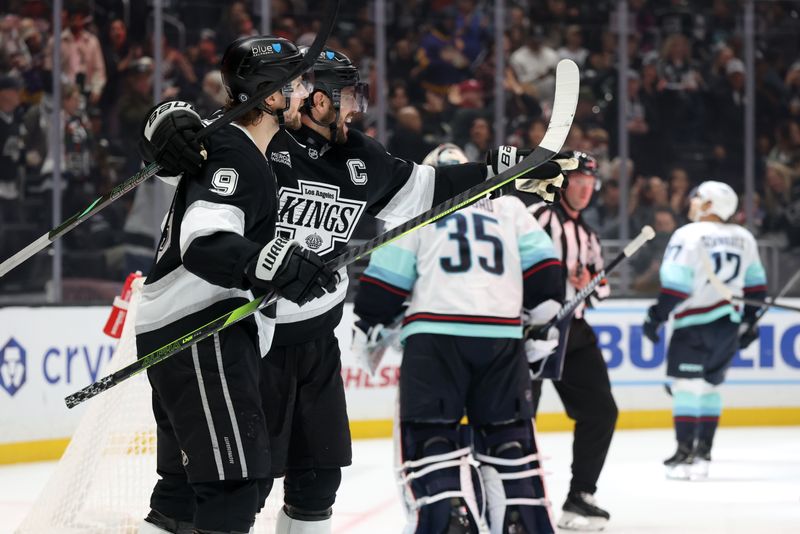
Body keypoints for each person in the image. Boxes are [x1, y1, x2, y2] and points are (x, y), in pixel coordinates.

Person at [140, 46, 566, 533]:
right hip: (257, 336)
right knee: (234, 485)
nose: (357, 106)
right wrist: (164, 123)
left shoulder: (358, 156)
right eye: (348, 95)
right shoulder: (259, 141)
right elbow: (183, 152)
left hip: (316, 340)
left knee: (318, 481)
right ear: (316, 99)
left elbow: (430, 189)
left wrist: (504, 172)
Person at [134, 36, 337, 534]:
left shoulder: (236, 146)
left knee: (183, 492)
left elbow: (183, 132)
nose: (304, 93)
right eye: (295, 83)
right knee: (233, 486)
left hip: (183, 330)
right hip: (200, 329)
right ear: (269, 96)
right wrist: (274, 263)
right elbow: (204, 241)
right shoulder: (237, 150)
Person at [352, 144, 564, 533]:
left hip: (435, 339)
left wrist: (369, 323)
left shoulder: (417, 205)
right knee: (509, 445)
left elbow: (386, 283)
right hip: (501, 337)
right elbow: (547, 274)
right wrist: (541, 322)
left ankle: (447, 517)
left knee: (433, 443)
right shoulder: (510, 208)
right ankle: (521, 519)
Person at [643, 181, 767, 480]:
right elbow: (757, 289)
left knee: (685, 386)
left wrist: (656, 317)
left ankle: (684, 455)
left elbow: (675, 286)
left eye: (698, 197)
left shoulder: (689, 234)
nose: (692, 202)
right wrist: (750, 322)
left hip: (694, 323)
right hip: (728, 326)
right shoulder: (744, 237)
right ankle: (703, 454)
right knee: (710, 387)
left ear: (711, 204)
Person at [524, 150, 617, 531]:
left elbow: (602, 285)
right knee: (519, 417)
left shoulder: (588, 233)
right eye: (577, 181)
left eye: (589, 183)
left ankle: (580, 496)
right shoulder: (539, 218)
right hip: (528, 329)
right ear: (562, 183)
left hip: (573, 331)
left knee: (601, 411)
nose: (584, 189)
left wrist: (587, 285)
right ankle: (514, 494)